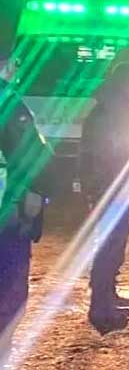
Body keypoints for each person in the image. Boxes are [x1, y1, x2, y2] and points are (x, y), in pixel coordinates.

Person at [80, 63, 129, 334]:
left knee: (113, 247)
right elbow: (113, 153)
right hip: (112, 188)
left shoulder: (112, 107)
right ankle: (101, 309)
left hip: (113, 186)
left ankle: (108, 298)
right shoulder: (115, 111)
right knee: (108, 248)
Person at [0, 57, 50, 351]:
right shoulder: (8, 101)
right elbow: (30, 155)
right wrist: (33, 195)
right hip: (8, 211)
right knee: (9, 288)